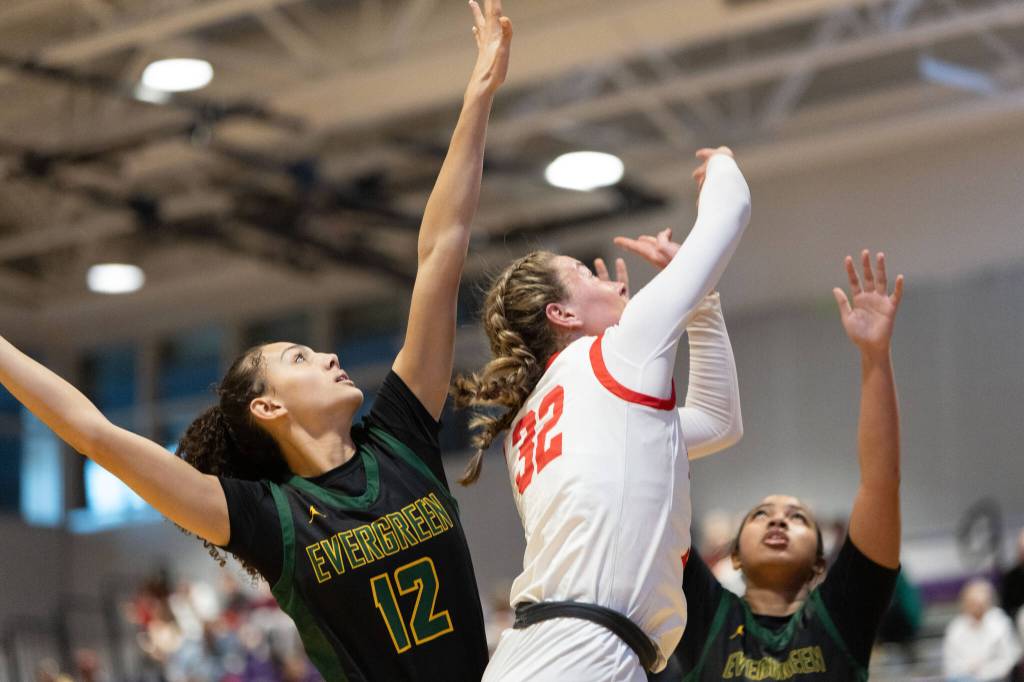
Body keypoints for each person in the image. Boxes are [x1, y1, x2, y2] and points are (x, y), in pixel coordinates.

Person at [0, 2, 512, 679]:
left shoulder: (401, 440)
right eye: (298, 358)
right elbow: (93, 432)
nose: (329, 356)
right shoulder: (270, 519)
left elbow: (441, 251)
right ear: (267, 408)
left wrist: (478, 95)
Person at [453, 146, 752, 680]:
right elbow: (730, 211)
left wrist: (700, 302)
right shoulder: (612, 355)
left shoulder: (531, 420)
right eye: (582, 274)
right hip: (582, 651)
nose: (613, 282)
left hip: (548, 651)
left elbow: (717, 420)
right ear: (562, 313)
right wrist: (723, 161)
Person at [658, 251, 905, 682]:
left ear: (819, 564)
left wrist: (875, 357)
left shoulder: (843, 613)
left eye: (797, 518)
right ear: (733, 555)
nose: (778, 521)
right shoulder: (704, 615)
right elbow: (650, 495)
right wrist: (690, 291)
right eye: (761, 515)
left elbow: (880, 484)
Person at [942, 578, 1022, 681]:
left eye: (980, 604)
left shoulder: (1000, 623)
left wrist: (983, 673)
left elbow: (1009, 659)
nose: (976, 608)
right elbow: (951, 664)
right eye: (972, 603)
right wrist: (970, 670)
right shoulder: (955, 628)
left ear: (988, 602)